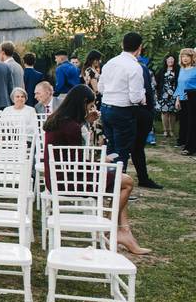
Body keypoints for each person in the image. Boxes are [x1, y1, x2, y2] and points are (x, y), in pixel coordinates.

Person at [43, 84, 150, 255]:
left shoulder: (58, 119)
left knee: (120, 182)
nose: (90, 108)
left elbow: (73, 157)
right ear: (83, 103)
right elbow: (79, 163)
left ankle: (124, 232)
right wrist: (100, 161)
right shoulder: (72, 127)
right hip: (70, 181)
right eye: (90, 105)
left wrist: (88, 123)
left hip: (58, 178)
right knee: (127, 182)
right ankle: (110, 229)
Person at [98, 32, 146, 168]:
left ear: (122, 45)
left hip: (106, 107)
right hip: (122, 111)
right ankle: (117, 182)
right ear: (139, 47)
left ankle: (107, 180)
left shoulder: (109, 63)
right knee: (122, 150)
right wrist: (143, 94)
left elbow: (101, 88)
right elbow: (135, 98)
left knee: (111, 147)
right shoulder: (135, 67)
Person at [130, 54, 161, 189]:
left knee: (133, 147)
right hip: (139, 110)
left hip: (126, 110)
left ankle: (142, 177)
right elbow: (147, 92)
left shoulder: (113, 65)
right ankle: (141, 178)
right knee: (136, 147)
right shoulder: (140, 68)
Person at [175, 48, 196, 153]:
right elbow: (180, 85)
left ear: (192, 58)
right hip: (182, 99)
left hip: (192, 99)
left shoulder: (195, 70)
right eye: (183, 56)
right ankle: (183, 141)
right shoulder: (182, 70)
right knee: (184, 122)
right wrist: (177, 99)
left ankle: (190, 147)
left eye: (187, 56)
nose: (185, 58)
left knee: (192, 123)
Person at [155, 54, 179, 138]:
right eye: (169, 60)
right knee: (164, 113)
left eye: (172, 60)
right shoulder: (162, 70)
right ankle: (165, 130)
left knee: (172, 113)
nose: (170, 61)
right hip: (163, 94)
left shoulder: (177, 70)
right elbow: (157, 83)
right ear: (166, 61)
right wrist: (157, 93)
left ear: (174, 61)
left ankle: (171, 130)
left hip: (174, 94)